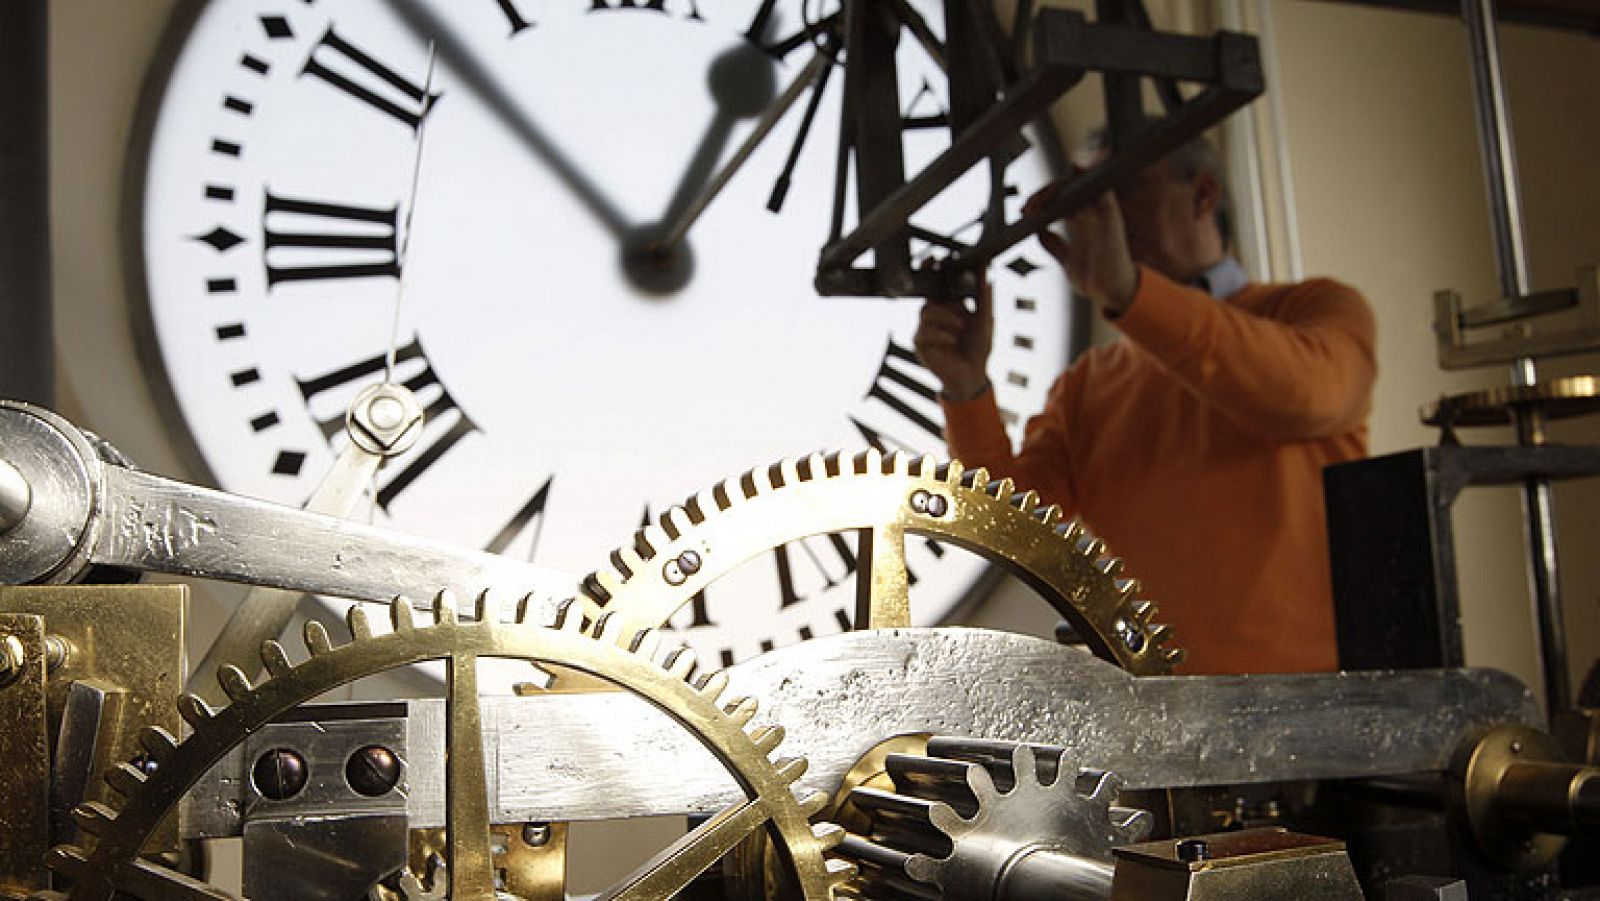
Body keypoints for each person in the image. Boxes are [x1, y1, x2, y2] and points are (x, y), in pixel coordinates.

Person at [916, 136, 1376, 674]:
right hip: (1154, 716)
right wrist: (967, 388)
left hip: (1320, 712)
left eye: (1126, 190)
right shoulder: (1089, 384)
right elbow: (1013, 535)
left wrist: (1131, 292)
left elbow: (1303, 397)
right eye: (1092, 200)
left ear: (1203, 195)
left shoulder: (1315, 309)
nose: (1105, 216)